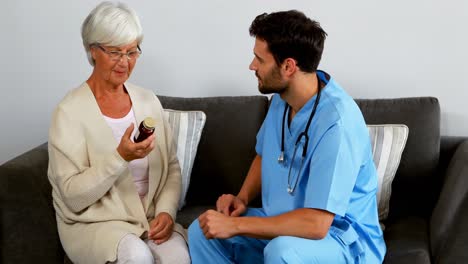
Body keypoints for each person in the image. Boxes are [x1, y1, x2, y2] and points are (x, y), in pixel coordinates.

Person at [188, 10, 386, 263]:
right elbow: (265, 153)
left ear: (288, 66)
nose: (252, 66)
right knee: (201, 231)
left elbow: (317, 225)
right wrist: (242, 197)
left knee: (282, 251)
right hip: (282, 225)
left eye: (259, 59)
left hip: (339, 240)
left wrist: (236, 227)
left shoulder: (337, 123)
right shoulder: (281, 101)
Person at [47, 2, 190, 263]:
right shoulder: (69, 112)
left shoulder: (148, 101)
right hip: (96, 222)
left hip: (147, 218)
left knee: (178, 258)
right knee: (136, 256)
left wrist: (167, 212)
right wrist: (120, 157)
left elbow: (170, 167)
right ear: (93, 51)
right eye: (115, 52)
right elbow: (72, 195)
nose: (125, 63)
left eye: (132, 52)